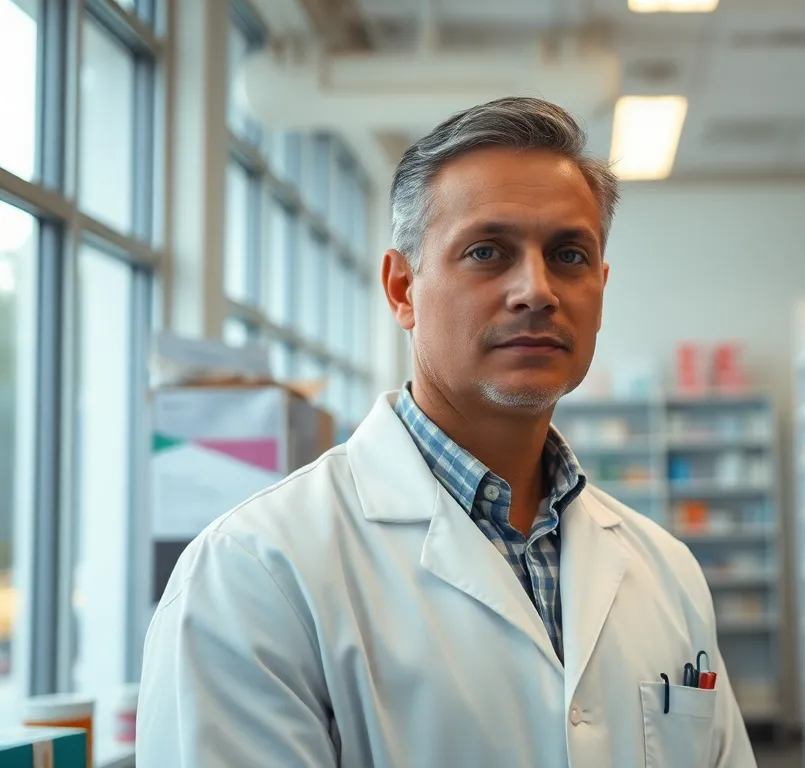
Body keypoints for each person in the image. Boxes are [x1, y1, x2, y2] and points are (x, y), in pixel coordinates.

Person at [137, 97, 756, 767]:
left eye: (569, 255)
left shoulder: (666, 570)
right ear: (403, 289)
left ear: (600, 288)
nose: (536, 291)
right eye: (487, 251)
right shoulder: (254, 573)